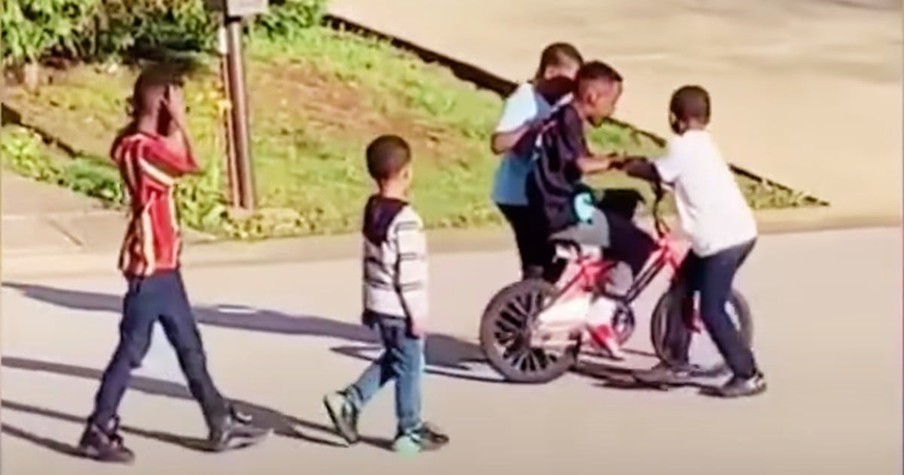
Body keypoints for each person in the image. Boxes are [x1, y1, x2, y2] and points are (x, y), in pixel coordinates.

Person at [76, 63, 270, 463]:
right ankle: (98, 428)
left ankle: (219, 418)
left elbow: (185, 163)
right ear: (162, 103)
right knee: (132, 350)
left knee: (189, 347)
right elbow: (183, 162)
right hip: (149, 270)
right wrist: (178, 122)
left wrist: (175, 122)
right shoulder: (138, 150)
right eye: (176, 100)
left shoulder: (141, 145)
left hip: (166, 266)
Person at [617, 85, 766, 398]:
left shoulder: (683, 145)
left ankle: (748, 373)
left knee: (712, 309)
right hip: (730, 235)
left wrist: (626, 164)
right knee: (680, 290)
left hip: (723, 241)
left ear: (674, 117)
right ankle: (676, 361)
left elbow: (657, 171)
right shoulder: (703, 144)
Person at [323, 135, 449, 454]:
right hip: (400, 308)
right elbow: (410, 274)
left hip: (379, 304)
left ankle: (349, 400)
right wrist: (417, 314)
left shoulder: (373, 209)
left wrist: (369, 305)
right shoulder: (406, 220)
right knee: (411, 365)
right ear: (406, 173)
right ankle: (409, 429)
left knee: (396, 359)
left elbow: (371, 263)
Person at [525, 60, 657, 359]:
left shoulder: (563, 118)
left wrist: (610, 158)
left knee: (624, 201)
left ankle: (603, 279)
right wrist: (613, 162)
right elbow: (580, 164)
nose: (613, 110)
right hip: (563, 213)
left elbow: (576, 158)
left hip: (553, 203)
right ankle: (603, 311)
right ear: (593, 97)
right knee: (640, 243)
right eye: (612, 102)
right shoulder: (569, 120)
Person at [490, 42, 583, 281]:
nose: (571, 90)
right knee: (536, 260)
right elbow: (498, 143)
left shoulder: (560, 102)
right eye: (568, 82)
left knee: (560, 251)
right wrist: (529, 127)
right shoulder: (524, 99)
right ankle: (523, 310)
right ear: (551, 73)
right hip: (518, 196)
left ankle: (536, 299)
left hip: (542, 192)